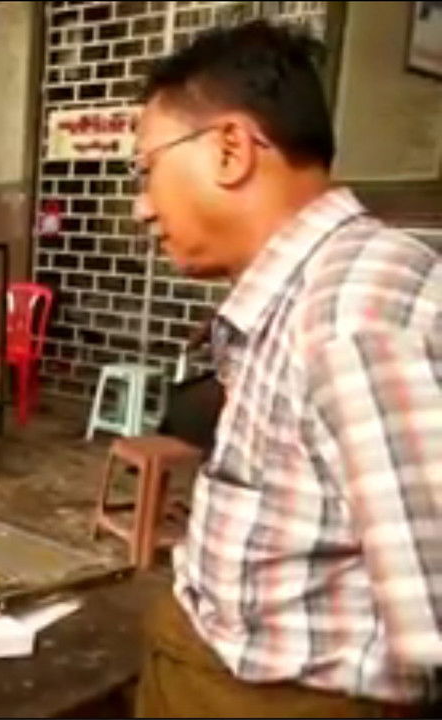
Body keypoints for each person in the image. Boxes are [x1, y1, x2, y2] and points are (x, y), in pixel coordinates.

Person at [131, 21, 441, 717]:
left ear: (231, 148)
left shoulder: (355, 315)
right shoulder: (305, 294)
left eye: (146, 168)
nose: (141, 206)